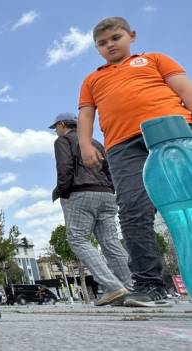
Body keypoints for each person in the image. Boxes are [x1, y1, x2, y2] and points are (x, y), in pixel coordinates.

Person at [77, 17, 192, 307]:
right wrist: (86, 144)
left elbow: (184, 89)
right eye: (102, 43)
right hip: (122, 146)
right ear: (97, 49)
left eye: (116, 38)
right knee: (132, 210)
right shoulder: (92, 80)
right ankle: (149, 284)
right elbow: (86, 115)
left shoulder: (154, 59)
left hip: (173, 132)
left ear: (132, 36)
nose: (110, 45)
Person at [50, 112, 132, 306]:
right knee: (111, 242)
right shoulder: (94, 142)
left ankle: (113, 287)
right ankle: (129, 288)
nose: (56, 132)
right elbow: (108, 170)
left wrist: (63, 193)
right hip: (105, 194)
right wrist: (110, 190)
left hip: (81, 193)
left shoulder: (63, 141)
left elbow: (64, 168)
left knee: (78, 239)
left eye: (56, 128)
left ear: (62, 125)